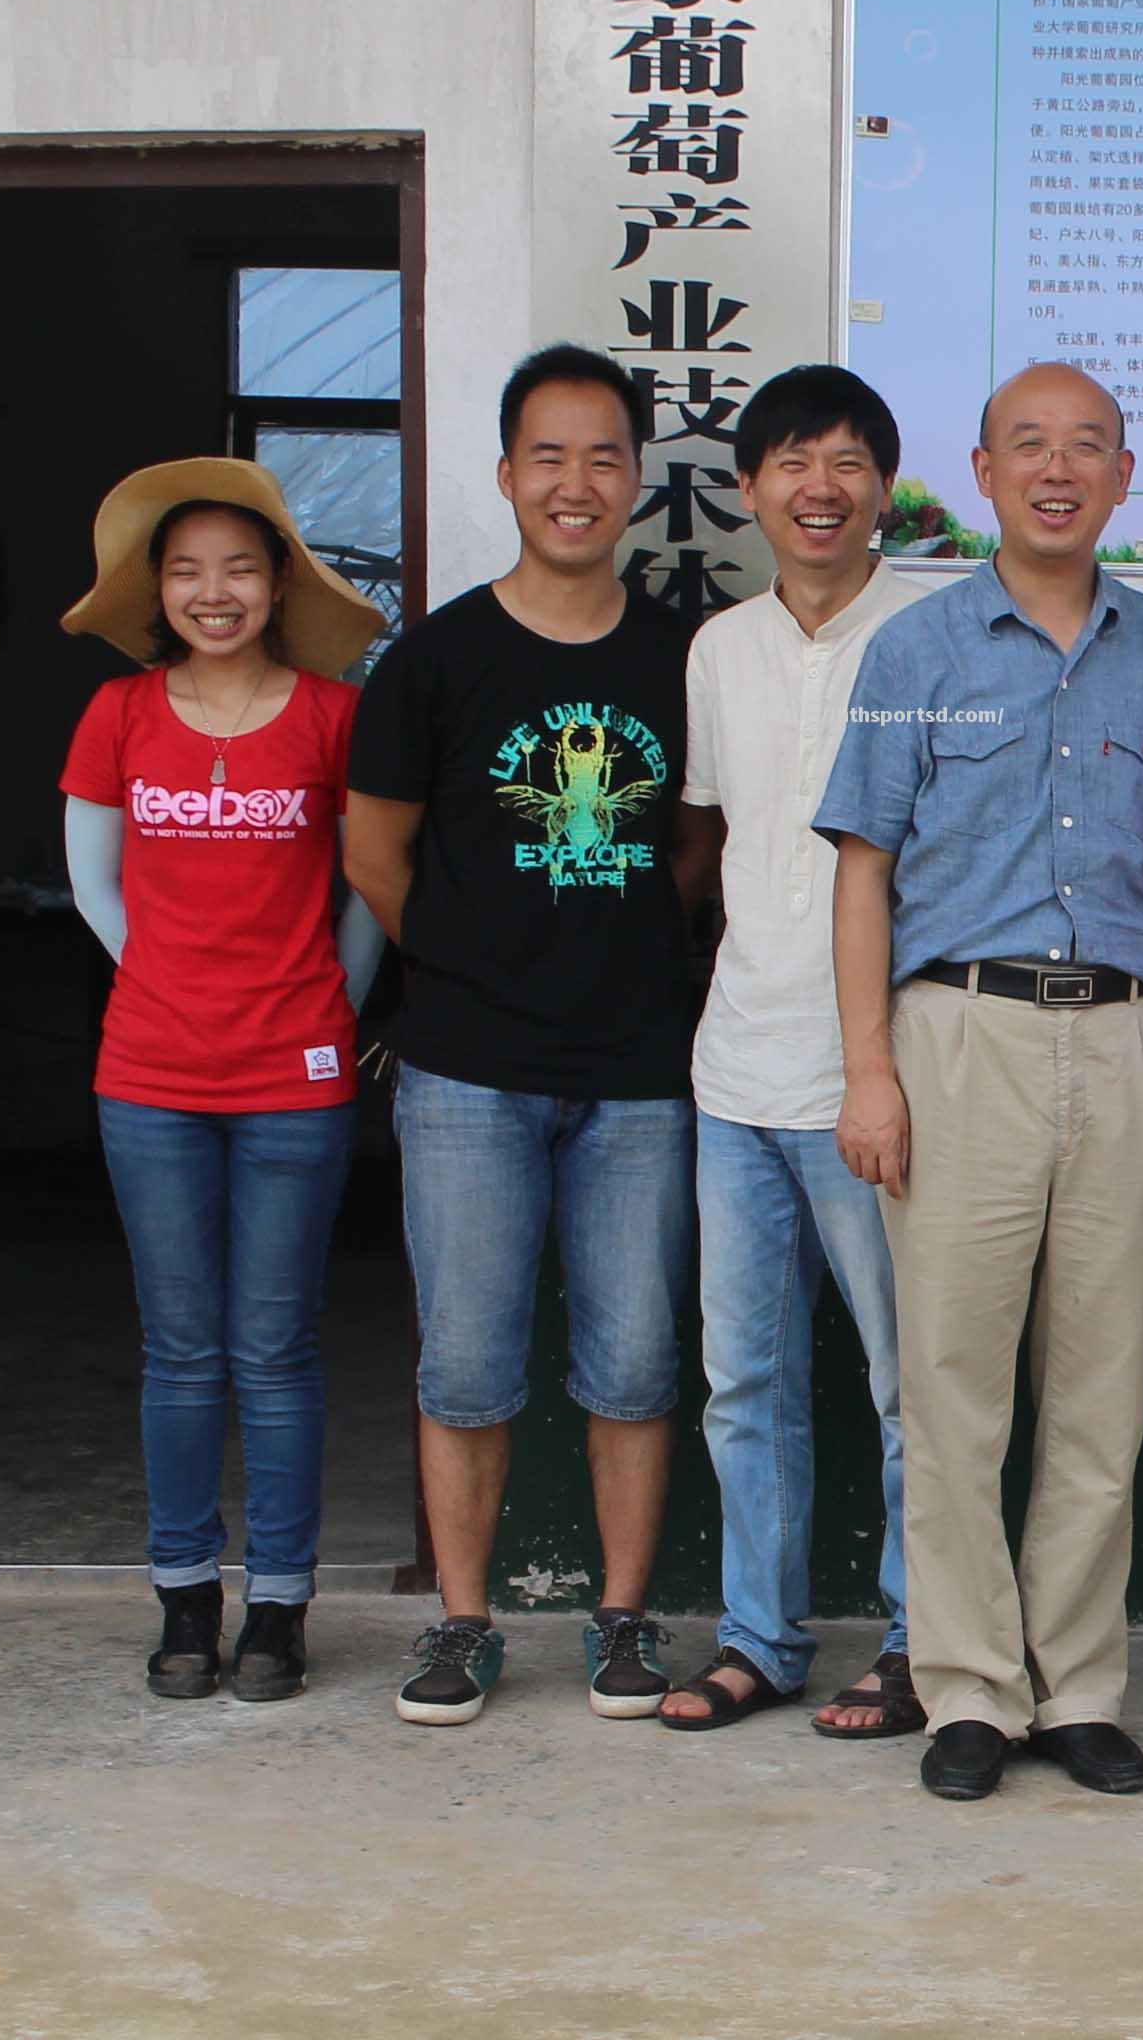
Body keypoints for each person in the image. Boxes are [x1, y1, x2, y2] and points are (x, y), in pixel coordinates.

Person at [815, 360, 1143, 1804]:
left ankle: (1076, 1688)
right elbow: (862, 871)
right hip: (958, 1040)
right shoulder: (911, 651)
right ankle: (969, 1692)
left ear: (1124, 475)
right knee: (949, 1389)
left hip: (1125, 1041)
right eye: (1026, 447)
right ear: (982, 471)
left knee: (1100, 1391)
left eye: (1087, 448)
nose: (1056, 470)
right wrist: (869, 1069)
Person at [346, 344, 711, 1727]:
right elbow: (373, 849)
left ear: (635, 478)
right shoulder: (434, 658)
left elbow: (694, 842)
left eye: (605, 455)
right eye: (547, 457)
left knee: (631, 1363)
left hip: (634, 1071)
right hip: (463, 1071)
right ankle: (460, 1622)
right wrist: (473, 950)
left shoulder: (682, 651)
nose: (577, 483)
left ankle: (620, 1623)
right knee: (466, 1366)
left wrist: (593, 930)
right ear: (504, 476)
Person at [53, 459, 393, 1704]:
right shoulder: (119, 714)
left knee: (278, 1349)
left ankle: (282, 1610)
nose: (215, 591)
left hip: (295, 1078)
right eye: (188, 571)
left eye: (240, 569)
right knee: (181, 1349)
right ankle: (187, 1598)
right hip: (148, 1074)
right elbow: (95, 885)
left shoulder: (329, 718)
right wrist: (171, 982)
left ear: (279, 587)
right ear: (158, 591)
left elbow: (365, 894)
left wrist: (324, 1008)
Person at [653, 365, 935, 1742]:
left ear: (886, 486)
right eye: (787, 462)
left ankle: (915, 1641)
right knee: (742, 1383)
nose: (817, 488)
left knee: (907, 1385)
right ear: (750, 488)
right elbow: (708, 841)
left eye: (844, 462)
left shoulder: (940, 634)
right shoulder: (717, 649)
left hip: (879, 1080)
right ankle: (759, 1639)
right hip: (732, 1074)